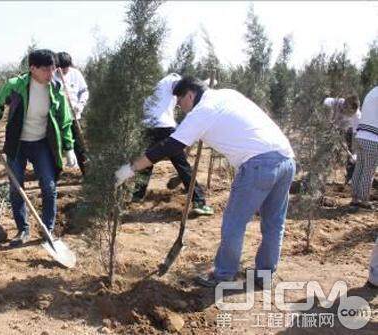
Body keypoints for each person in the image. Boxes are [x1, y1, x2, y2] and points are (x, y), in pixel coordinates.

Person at [115, 77, 295, 287]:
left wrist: (131, 168)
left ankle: (222, 275)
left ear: (190, 95)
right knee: (274, 223)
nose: (181, 109)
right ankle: (265, 276)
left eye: (180, 103)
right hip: (286, 158)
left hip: (258, 165)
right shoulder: (228, 94)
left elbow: (169, 146)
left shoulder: (202, 111)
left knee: (234, 223)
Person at [0, 49, 77, 247]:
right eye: (46, 70)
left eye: (53, 69)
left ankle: (47, 229)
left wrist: (69, 147)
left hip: (42, 143)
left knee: (49, 186)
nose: (50, 74)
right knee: (17, 187)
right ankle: (22, 230)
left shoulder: (55, 88)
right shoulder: (15, 86)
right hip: (18, 144)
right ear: (32, 68)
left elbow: (64, 119)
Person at [133, 73, 213, 215]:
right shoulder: (172, 79)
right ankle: (199, 201)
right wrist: (204, 85)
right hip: (164, 127)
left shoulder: (156, 88)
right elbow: (183, 88)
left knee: (146, 163)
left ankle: (137, 196)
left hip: (148, 127)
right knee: (182, 166)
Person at [55, 51, 90, 175]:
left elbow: (84, 91)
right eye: (61, 67)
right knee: (56, 147)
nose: (64, 70)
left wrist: (80, 105)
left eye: (66, 67)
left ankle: (87, 173)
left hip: (74, 117)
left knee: (80, 147)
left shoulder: (75, 74)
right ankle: (55, 174)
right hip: (57, 120)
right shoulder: (51, 76)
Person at [323, 94, 361, 183]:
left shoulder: (357, 116)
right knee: (324, 150)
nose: (351, 114)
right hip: (331, 127)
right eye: (349, 111)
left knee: (352, 155)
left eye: (352, 112)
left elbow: (355, 135)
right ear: (345, 105)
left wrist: (354, 153)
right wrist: (328, 119)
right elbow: (325, 102)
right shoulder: (336, 102)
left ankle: (351, 179)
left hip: (348, 130)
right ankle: (318, 177)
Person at [350, 86, 378, 209]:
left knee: (359, 168)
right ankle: (364, 200)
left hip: (361, 135)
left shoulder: (372, 91)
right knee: (368, 170)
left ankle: (355, 197)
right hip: (372, 138)